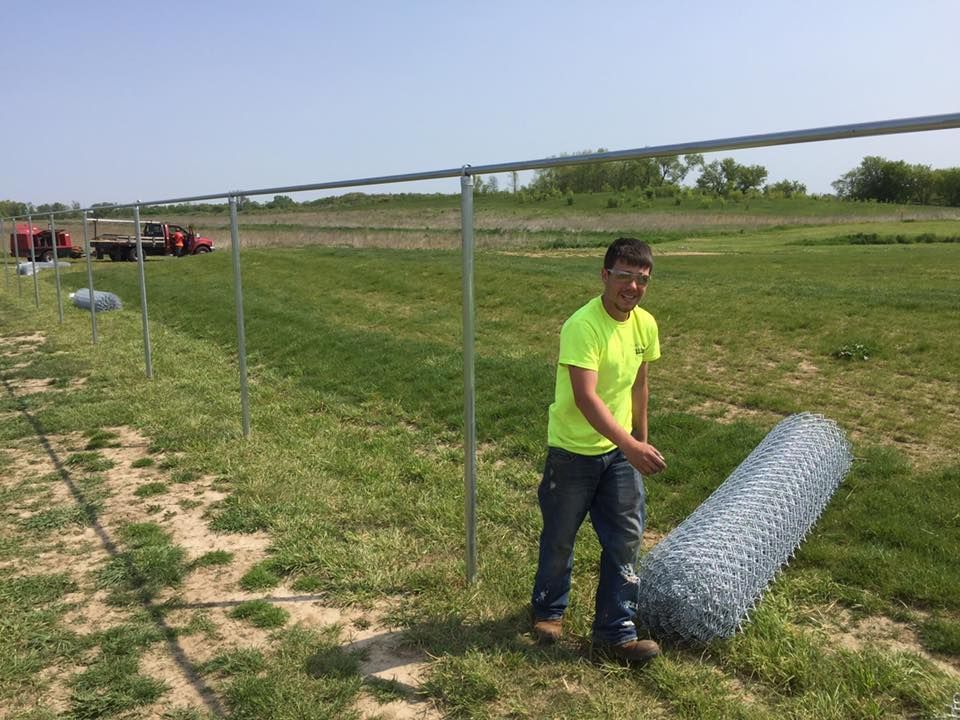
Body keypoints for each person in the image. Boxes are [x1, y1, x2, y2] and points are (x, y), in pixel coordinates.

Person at [531, 237, 666, 665]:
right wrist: (630, 444)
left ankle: (615, 631)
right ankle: (548, 610)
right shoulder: (582, 326)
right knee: (559, 536)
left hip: (620, 454)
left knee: (625, 539)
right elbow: (586, 398)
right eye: (624, 276)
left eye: (642, 279)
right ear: (605, 275)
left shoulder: (644, 324)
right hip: (573, 451)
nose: (632, 286)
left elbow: (640, 383)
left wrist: (639, 440)